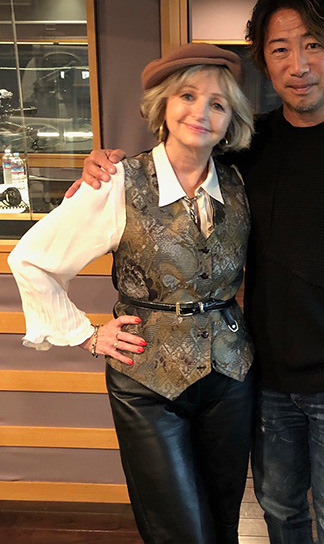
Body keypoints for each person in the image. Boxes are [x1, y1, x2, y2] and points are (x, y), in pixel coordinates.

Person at [69, 0, 324, 544]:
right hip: (261, 375)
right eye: (280, 49)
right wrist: (102, 170)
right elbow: (178, 156)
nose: (298, 64)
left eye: (314, 44)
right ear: (264, 61)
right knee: (278, 509)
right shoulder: (249, 144)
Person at [9, 42, 256, 544]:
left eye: (218, 103)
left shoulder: (239, 183)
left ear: (231, 120)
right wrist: (89, 336)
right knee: (177, 530)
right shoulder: (117, 182)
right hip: (148, 384)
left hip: (230, 378)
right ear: (164, 105)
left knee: (222, 522)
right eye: (188, 96)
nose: (201, 112)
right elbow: (30, 258)